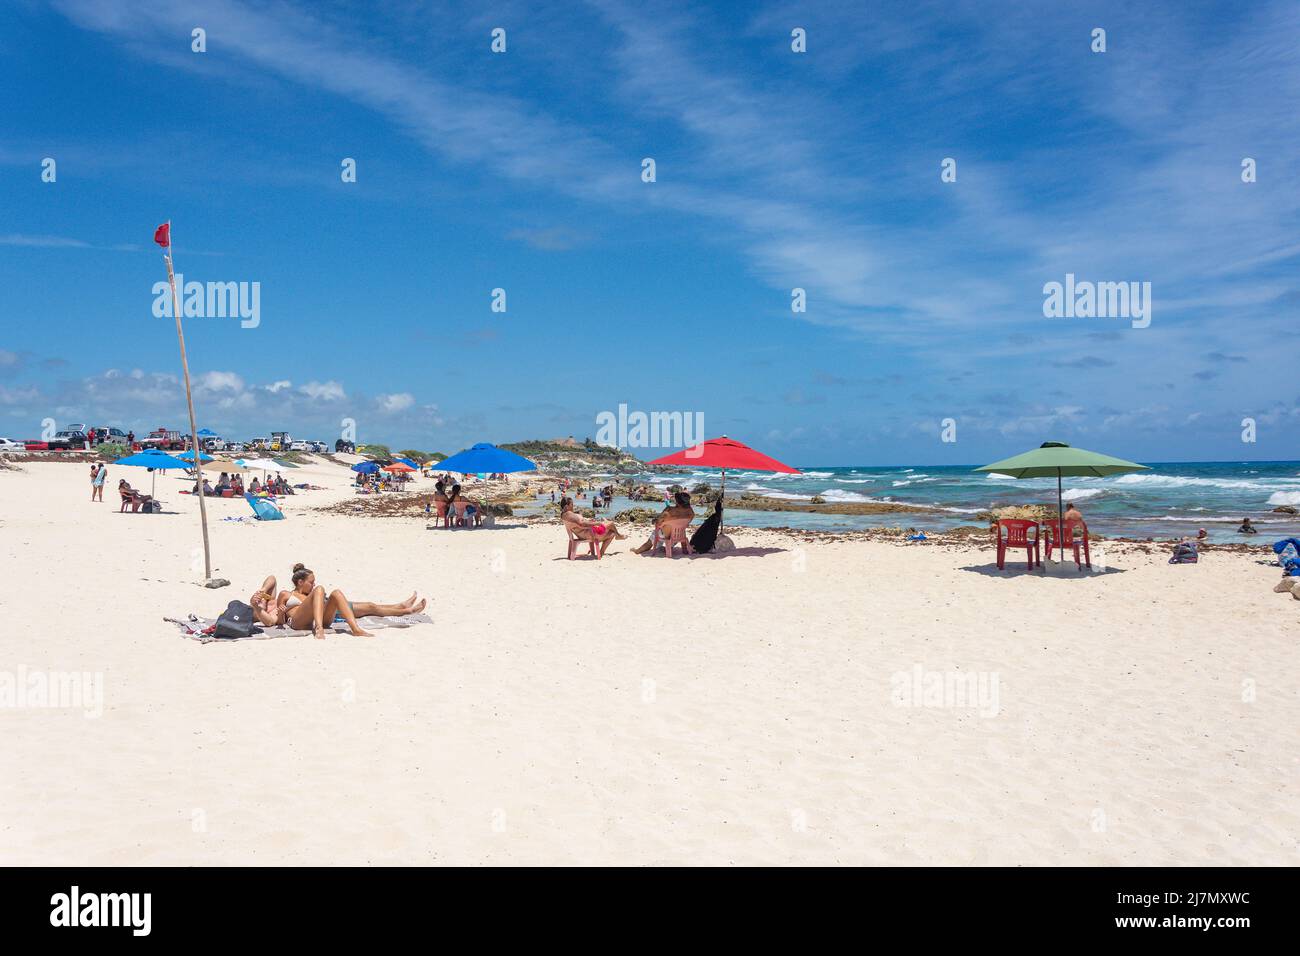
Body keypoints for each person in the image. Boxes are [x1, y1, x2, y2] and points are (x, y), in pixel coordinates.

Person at [277, 563, 427, 639]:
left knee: (335, 592)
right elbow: (279, 621)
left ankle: (356, 630)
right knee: (321, 589)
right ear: (300, 582)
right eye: (311, 582)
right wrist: (280, 613)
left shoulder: (313, 593)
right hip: (298, 622)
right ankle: (319, 629)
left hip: (320, 618)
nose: (313, 584)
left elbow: (323, 598)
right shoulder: (285, 594)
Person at [560, 496, 625, 556]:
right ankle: (618, 536)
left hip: (583, 534)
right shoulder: (569, 514)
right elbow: (581, 523)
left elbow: (580, 523)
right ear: (566, 506)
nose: (573, 506)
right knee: (611, 524)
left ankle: (603, 550)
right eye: (571, 504)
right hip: (590, 534)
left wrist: (588, 521)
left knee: (612, 533)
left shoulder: (563, 515)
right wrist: (596, 523)